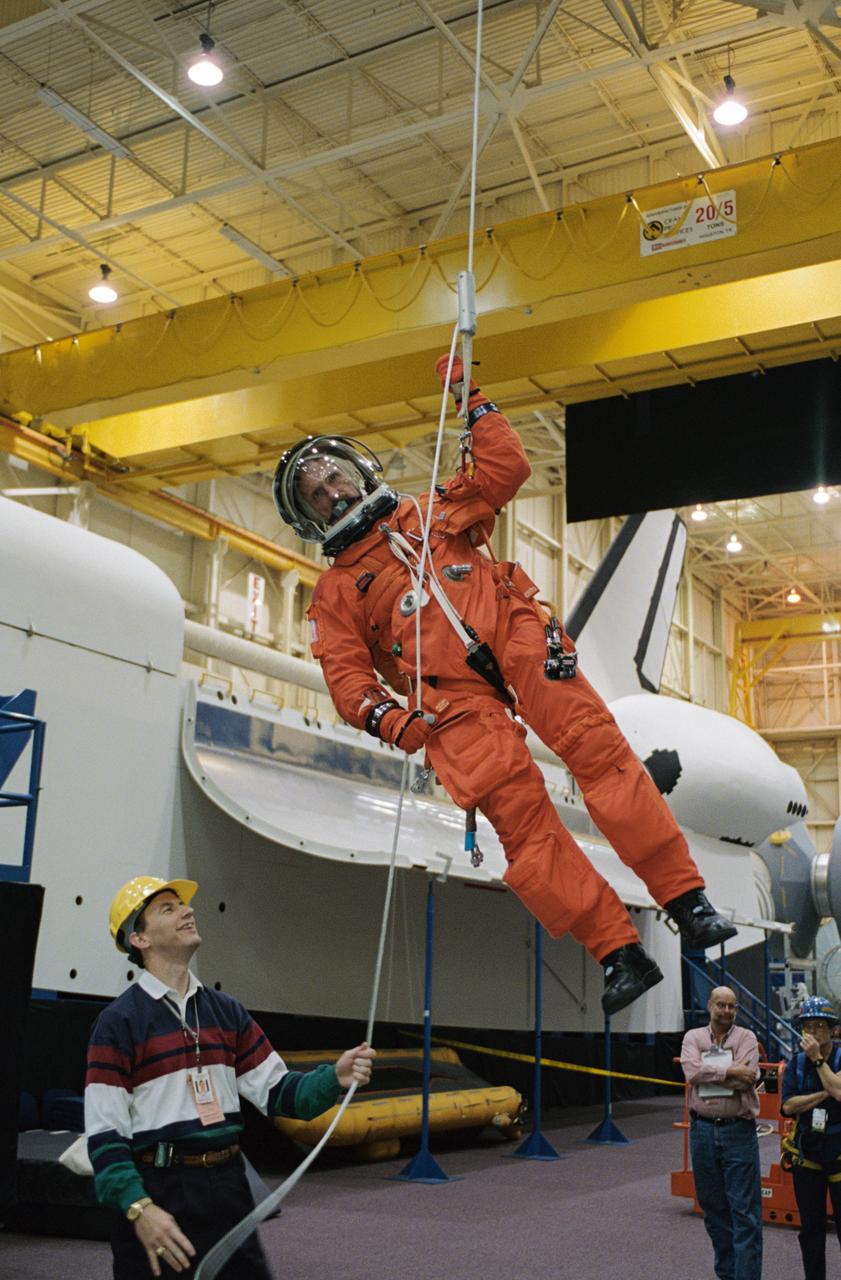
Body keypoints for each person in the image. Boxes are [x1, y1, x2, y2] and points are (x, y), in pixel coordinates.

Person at [272, 354, 736, 1016]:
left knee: (599, 757)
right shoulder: (337, 592)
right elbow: (346, 678)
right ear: (307, 515)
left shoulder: (430, 508)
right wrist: (389, 720)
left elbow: (504, 470)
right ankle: (615, 951)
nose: (333, 491)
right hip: (451, 703)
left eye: (334, 476)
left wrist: (471, 400)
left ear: (359, 470)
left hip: (517, 639)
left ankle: (687, 901)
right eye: (317, 492)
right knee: (520, 825)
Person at [85, 876, 375, 1279]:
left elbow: (282, 1094)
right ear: (140, 939)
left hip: (228, 1185)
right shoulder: (118, 1023)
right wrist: (140, 1208)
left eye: (183, 906)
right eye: (168, 909)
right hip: (160, 1193)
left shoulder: (227, 1012)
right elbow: (104, 1135)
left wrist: (335, 1078)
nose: (188, 911)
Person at [680, 986, 763, 1280]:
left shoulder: (747, 1038)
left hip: (738, 1132)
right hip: (702, 1132)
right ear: (710, 1006)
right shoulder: (693, 1037)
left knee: (745, 1214)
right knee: (714, 1210)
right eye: (721, 1005)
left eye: (732, 1006)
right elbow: (691, 1073)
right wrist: (730, 1071)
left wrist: (711, 1072)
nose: (726, 1011)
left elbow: (747, 1080)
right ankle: (728, 1275)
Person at [781, 995, 841, 1280]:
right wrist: (825, 1091)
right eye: (808, 1026)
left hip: (840, 1156)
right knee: (811, 1231)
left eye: (820, 1026)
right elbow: (789, 1107)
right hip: (808, 1156)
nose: (813, 1033)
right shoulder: (795, 1065)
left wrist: (819, 1060)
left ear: (834, 1030)